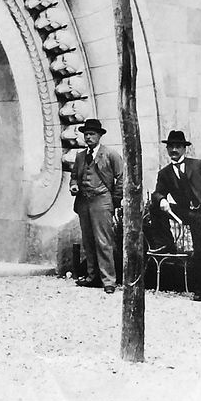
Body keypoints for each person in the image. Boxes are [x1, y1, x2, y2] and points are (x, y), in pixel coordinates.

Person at [151, 130, 201, 301]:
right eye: (171, 147)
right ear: (167, 149)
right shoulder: (165, 173)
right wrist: (162, 200)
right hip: (184, 212)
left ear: (184, 149)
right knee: (154, 207)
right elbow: (157, 192)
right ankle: (166, 244)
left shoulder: (198, 165)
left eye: (178, 146)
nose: (174, 150)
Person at [69, 118, 124, 294]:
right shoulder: (80, 156)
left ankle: (109, 281)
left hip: (102, 200)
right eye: (86, 134)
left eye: (92, 134)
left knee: (103, 241)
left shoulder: (110, 154)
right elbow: (74, 176)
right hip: (84, 201)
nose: (88, 137)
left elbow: (122, 177)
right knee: (88, 240)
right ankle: (92, 277)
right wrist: (74, 185)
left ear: (99, 136)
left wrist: (115, 199)